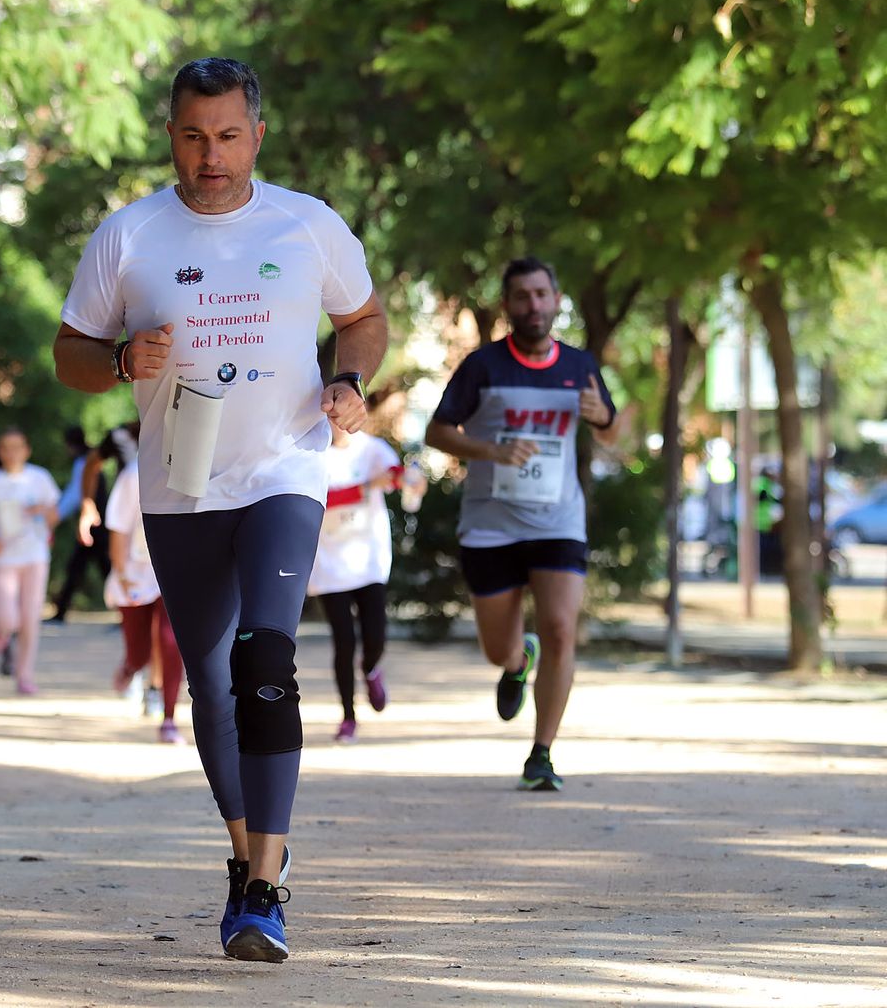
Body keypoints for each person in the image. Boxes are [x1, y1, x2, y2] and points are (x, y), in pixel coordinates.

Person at [54, 57, 387, 962]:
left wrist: (350, 378)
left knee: (265, 656)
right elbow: (70, 352)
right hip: (180, 484)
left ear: (257, 136)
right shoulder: (127, 236)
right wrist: (122, 361)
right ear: (171, 134)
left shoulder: (307, 223)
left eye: (229, 136)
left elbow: (364, 317)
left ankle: (268, 888)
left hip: (285, 469)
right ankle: (244, 861)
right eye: (195, 136)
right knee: (209, 682)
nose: (212, 156)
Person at [424, 255, 617, 793]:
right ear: (509, 305)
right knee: (497, 648)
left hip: (558, 519)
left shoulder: (580, 365)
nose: (534, 305)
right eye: (523, 296)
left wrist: (602, 416)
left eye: (542, 294)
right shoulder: (483, 366)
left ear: (557, 301)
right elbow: (437, 433)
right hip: (491, 524)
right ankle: (516, 661)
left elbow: (610, 428)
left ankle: (542, 753)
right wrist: (491, 449)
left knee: (560, 629)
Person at [306, 427, 401, 743]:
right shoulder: (311, 452)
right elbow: (322, 500)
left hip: (368, 561)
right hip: (329, 564)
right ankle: (348, 716)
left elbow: (396, 474)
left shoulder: (371, 448)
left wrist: (408, 480)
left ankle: (371, 669)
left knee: (376, 636)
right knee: (343, 641)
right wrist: (366, 487)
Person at [102, 445, 186, 743]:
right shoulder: (133, 475)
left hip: (175, 570)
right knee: (139, 652)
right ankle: (130, 667)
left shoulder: (196, 467)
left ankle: (169, 717)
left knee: (169, 639)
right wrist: (122, 573)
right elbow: (118, 527)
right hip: (136, 572)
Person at [0, 429, 61, 694]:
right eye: (6, 448)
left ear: (27, 450)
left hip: (34, 555)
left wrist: (42, 512)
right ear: (0, 452)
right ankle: (2, 632)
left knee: (30, 619)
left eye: (17, 447)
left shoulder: (39, 478)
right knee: (8, 618)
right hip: (3, 558)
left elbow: (54, 514)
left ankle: (24, 675)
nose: (12, 453)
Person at [48, 427, 108, 623]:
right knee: (83, 568)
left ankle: (127, 615)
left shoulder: (86, 462)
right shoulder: (92, 458)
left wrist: (54, 516)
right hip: (100, 525)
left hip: (94, 525)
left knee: (101, 569)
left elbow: (75, 495)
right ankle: (61, 612)